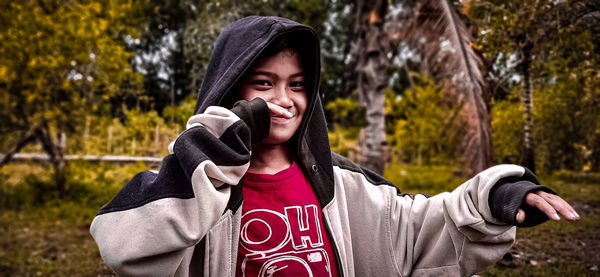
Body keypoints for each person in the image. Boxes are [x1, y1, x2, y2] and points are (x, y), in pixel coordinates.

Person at [90, 16, 579, 277]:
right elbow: (125, 248)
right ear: (231, 87)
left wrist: (497, 196)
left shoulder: (343, 185)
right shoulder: (193, 186)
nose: (283, 101)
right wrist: (214, 149)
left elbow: (421, 231)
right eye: (263, 83)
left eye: (298, 85)